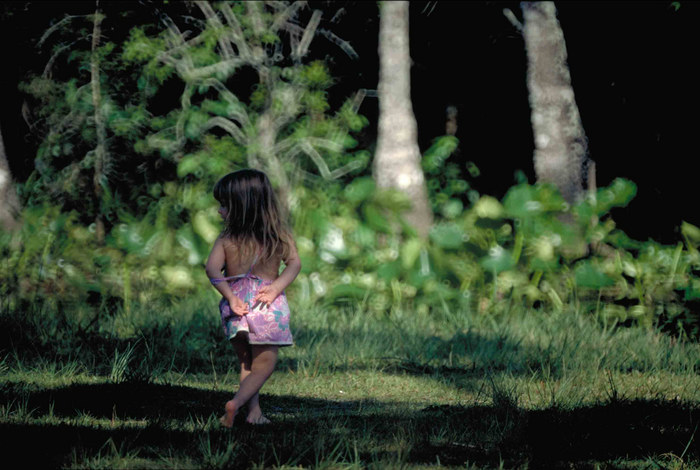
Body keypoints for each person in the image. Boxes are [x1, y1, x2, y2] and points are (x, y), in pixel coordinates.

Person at [205, 169, 301, 427]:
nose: (219, 211)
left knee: (247, 361)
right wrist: (276, 287)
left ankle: (253, 412)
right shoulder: (277, 234)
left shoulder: (226, 238)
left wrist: (229, 296)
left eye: (224, 205)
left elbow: (212, 270)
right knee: (265, 365)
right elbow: (294, 264)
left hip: (235, 306)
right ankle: (236, 404)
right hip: (265, 305)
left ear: (241, 206)